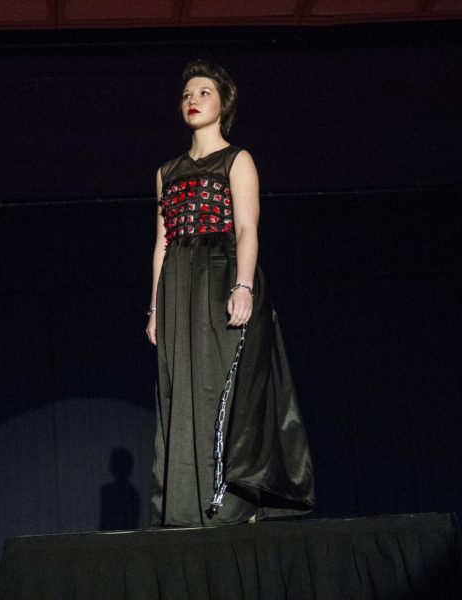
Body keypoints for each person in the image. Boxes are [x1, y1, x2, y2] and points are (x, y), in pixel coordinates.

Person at [145, 60, 315, 527]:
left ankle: (234, 503)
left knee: (223, 385)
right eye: (186, 94)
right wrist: (155, 307)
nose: (192, 100)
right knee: (183, 389)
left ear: (223, 103)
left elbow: (246, 227)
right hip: (180, 282)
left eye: (203, 92)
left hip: (223, 273)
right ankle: (185, 508)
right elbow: (161, 242)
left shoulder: (236, 160)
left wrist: (243, 284)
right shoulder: (167, 171)